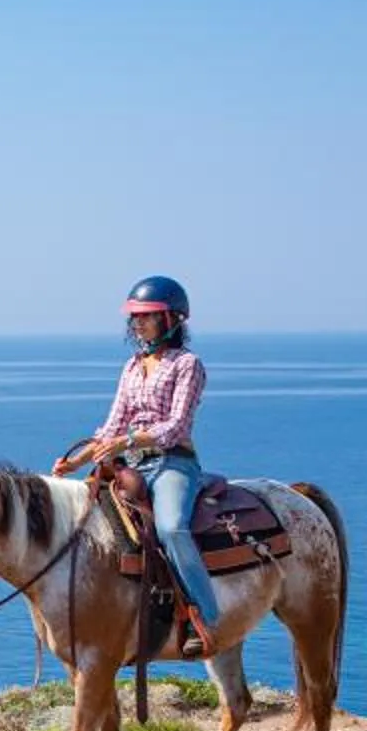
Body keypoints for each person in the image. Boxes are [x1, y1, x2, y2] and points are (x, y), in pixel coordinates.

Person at [54, 276, 224, 651]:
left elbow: (176, 426)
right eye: (135, 318)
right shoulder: (132, 367)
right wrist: (76, 459)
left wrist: (127, 440)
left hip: (172, 463)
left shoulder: (187, 365)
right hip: (130, 463)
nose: (138, 324)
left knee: (171, 528)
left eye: (147, 316)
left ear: (172, 319)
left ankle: (204, 619)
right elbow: (112, 424)